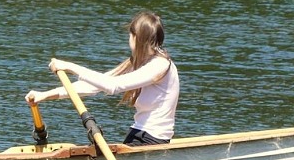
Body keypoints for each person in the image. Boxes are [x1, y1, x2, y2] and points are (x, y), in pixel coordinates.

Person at [25, 11, 179, 146]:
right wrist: (44, 95)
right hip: (139, 134)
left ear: (136, 37)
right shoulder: (140, 61)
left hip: (153, 140)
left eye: (130, 35)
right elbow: (93, 86)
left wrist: (70, 67)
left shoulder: (159, 65)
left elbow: (112, 86)